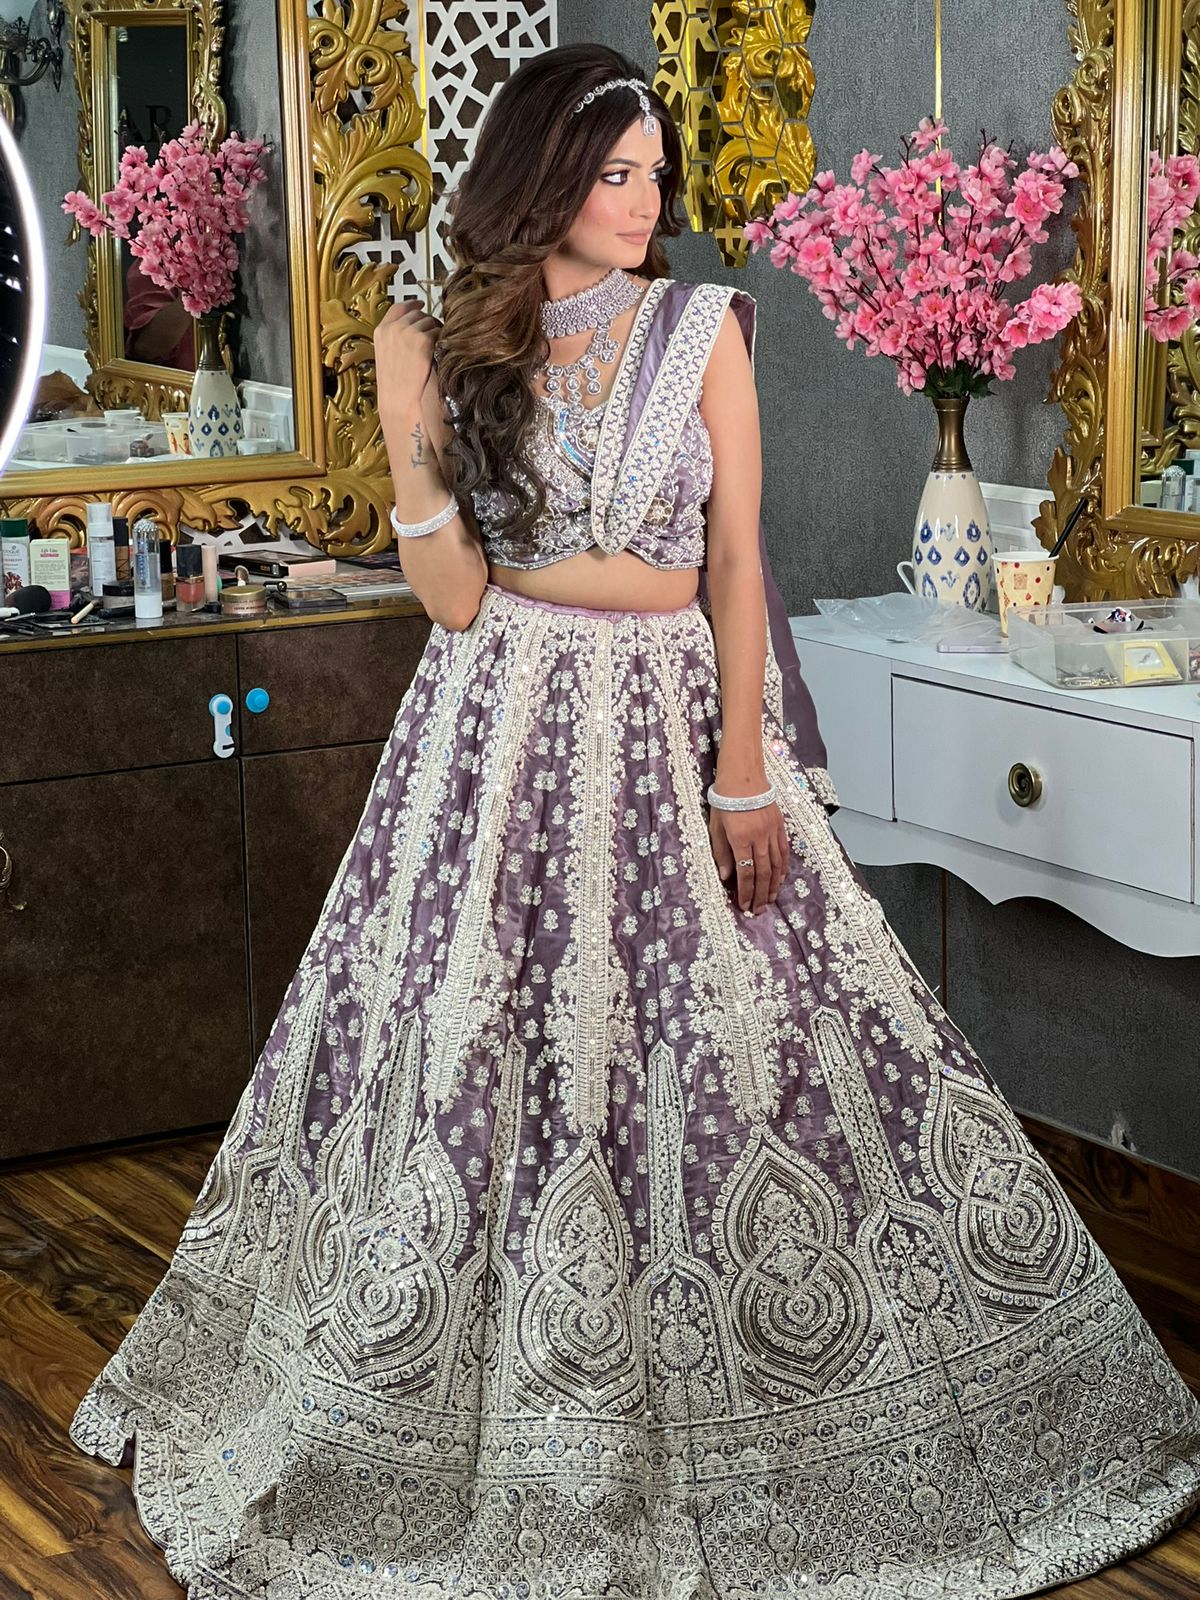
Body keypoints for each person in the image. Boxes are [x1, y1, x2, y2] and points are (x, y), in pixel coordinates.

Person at [68, 42, 1200, 1599]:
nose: (644, 200)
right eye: (615, 172)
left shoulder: (703, 329)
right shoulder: (447, 339)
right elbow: (453, 597)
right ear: (542, 174)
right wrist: (407, 398)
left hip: (677, 722)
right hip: (498, 727)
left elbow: (732, 564)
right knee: (488, 1046)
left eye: (655, 174)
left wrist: (745, 768)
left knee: (748, 1043)